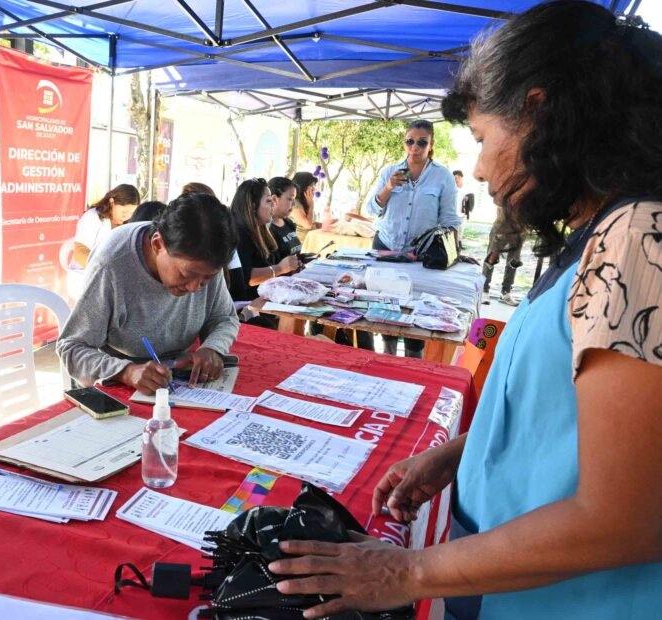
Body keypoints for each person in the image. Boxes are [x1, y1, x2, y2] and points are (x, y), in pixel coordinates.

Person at [269, 4, 662, 619]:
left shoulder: (636, 236)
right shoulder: (601, 233)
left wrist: (408, 570)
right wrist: (459, 454)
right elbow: (558, 415)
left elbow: (626, 517)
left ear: (538, 113)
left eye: (481, 139)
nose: (477, 168)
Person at [57, 193, 240, 394]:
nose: (195, 288)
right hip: (120, 384)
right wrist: (126, 371)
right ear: (157, 244)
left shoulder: (206, 259)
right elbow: (71, 347)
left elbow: (224, 317)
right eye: (185, 274)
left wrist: (212, 348)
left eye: (207, 279)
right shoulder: (111, 265)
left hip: (179, 380)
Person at [362, 120, 460, 358]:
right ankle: (386, 363)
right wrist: (388, 187)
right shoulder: (389, 171)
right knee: (386, 313)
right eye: (410, 141)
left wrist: (453, 252)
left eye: (421, 142)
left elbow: (449, 220)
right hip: (387, 248)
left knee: (417, 314)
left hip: (421, 255)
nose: (414, 147)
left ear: (431, 144)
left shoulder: (443, 176)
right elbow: (370, 209)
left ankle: (413, 364)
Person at [229, 178, 300, 303]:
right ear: (253, 206)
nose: (273, 204)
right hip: (248, 305)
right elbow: (247, 277)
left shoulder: (261, 229)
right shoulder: (240, 234)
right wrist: (280, 268)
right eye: (268, 201)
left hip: (266, 298)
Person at [66, 184, 141, 300]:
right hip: (84, 281)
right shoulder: (92, 217)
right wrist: (104, 269)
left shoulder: (127, 225)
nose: (126, 216)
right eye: (124, 211)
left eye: (131, 213)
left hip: (109, 285)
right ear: (112, 202)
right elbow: (80, 252)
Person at [481, 205, 526, 306]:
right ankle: (484, 290)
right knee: (492, 257)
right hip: (502, 225)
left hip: (520, 228)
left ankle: (506, 292)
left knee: (514, 261)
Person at [268, 177, 302, 259]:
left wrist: (302, 258)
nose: (294, 204)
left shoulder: (289, 223)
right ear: (274, 199)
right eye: (290, 199)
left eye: (294, 199)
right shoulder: (266, 228)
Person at [290, 172, 318, 242]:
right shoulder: (294, 203)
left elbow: (313, 224)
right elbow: (308, 225)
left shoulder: (305, 202)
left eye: (314, 185)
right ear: (302, 186)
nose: (314, 189)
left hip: (311, 240)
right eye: (311, 185)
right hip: (301, 244)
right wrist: (311, 206)